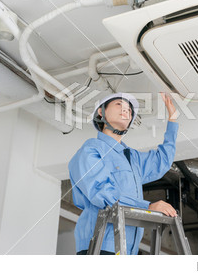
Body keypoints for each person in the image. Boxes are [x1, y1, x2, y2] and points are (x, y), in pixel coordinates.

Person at [68, 92, 178, 255]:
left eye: (130, 109)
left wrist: (173, 120)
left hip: (128, 249)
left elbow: (162, 161)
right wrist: (147, 207)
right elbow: (102, 194)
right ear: (101, 112)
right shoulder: (90, 151)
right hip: (100, 245)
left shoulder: (132, 157)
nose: (126, 110)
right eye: (119, 104)